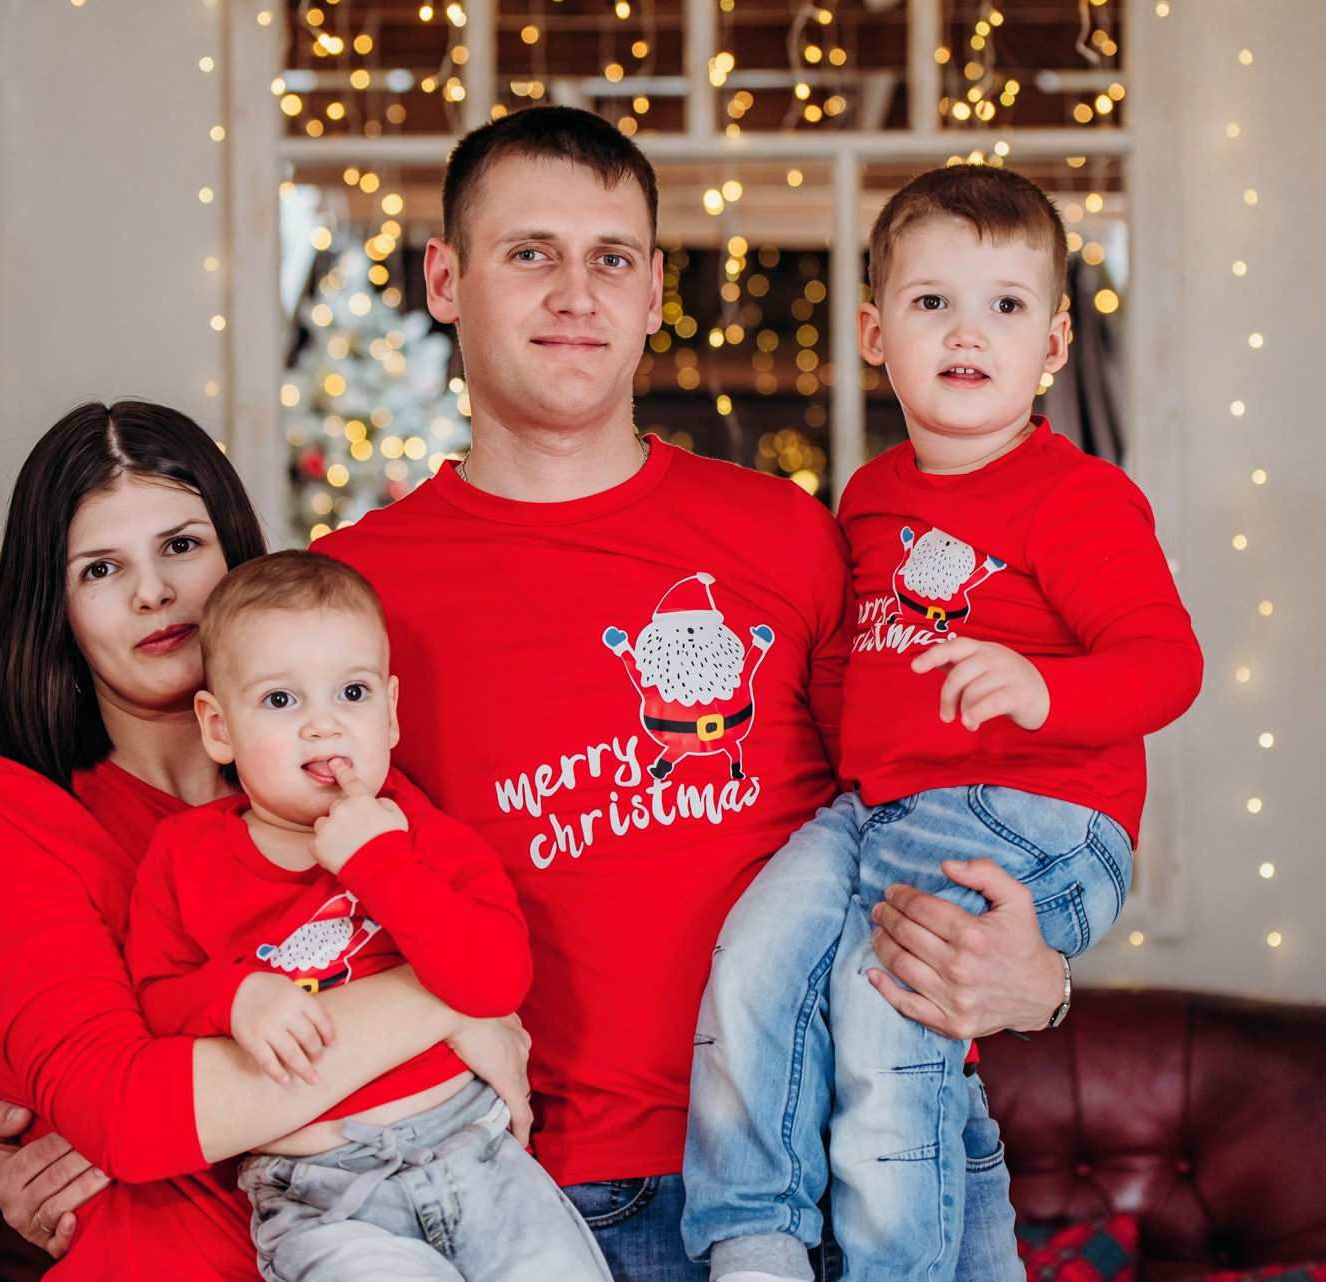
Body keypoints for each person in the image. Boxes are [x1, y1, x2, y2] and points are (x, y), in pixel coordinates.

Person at [311, 107, 1073, 1281]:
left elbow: (965, 789)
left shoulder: (796, 537)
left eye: (610, 258)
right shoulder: (353, 594)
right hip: (555, 1205)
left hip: (861, 1154)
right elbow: (274, 896)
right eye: (532, 254)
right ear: (446, 278)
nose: (577, 293)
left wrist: (1046, 977)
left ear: (656, 287)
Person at [681, 165, 1204, 1281]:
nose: (969, 332)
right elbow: (846, 670)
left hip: (1039, 816)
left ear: (1055, 343)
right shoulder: (866, 497)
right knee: (755, 955)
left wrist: (1043, 687)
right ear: (874, 330)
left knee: (884, 1014)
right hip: (876, 810)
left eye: (1006, 305)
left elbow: (1168, 665)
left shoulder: (1078, 499)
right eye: (932, 303)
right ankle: (754, 1235)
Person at [0, 401, 533, 1280]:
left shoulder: (350, 780)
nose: (153, 593)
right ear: (54, 605)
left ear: (236, 553)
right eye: (101, 568)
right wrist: (452, 1001)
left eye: (181, 546)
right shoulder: (1, 815)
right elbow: (133, 1121)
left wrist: (203, 1090)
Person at [123, 549, 610, 1280]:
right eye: (281, 702)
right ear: (217, 727)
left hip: (474, 1156)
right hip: (322, 1197)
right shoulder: (184, 855)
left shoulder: (421, 834)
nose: (323, 727)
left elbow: (495, 980)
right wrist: (235, 996)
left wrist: (376, 861)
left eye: (351, 694)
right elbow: (156, 997)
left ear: (390, 712)